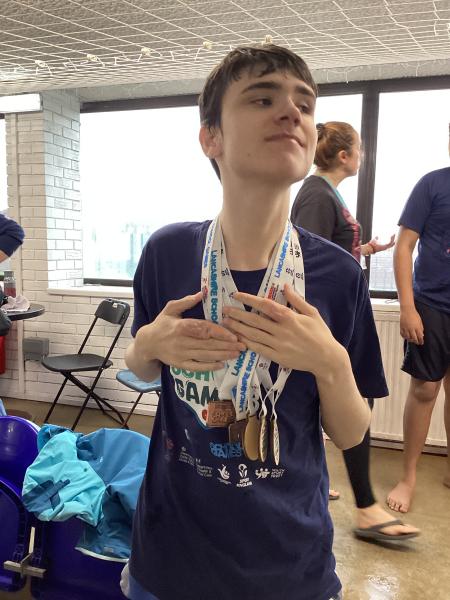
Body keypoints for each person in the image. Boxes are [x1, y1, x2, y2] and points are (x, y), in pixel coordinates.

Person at [122, 45, 387, 600]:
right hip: (169, 558)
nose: (292, 112)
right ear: (211, 138)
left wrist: (330, 363)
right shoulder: (168, 252)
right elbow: (141, 369)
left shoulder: (337, 274)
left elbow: (350, 432)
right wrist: (148, 343)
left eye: (305, 105)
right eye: (263, 99)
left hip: (288, 568)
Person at [290, 121, 419, 542]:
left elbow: (328, 252)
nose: (362, 155)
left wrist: (365, 251)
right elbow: (304, 260)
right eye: (359, 149)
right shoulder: (316, 193)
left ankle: (344, 493)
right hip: (326, 323)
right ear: (344, 155)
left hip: (342, 316)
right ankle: (366, 508)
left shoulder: (326, 192)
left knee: (348, 400)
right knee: (353, 399)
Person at [386, 138, 450, 514]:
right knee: (425, 389)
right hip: (431, 305)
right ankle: (408, 477)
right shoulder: (432, 184)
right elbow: (404, 246)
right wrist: (407, 308)